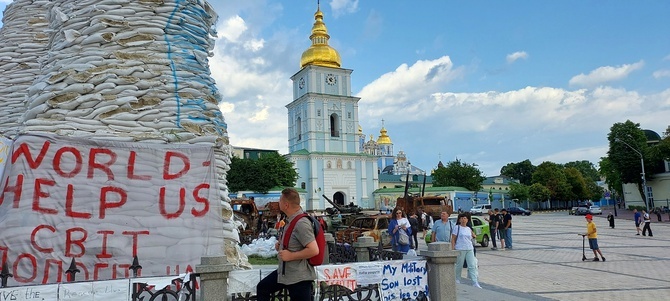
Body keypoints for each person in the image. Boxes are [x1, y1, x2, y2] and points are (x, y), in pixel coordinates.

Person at [257, 188, 318, 300]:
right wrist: (280, 246)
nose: (278, 202)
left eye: (280, 200)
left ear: (286, 205)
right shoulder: (290, 220)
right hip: (287, 273)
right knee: (262, 288)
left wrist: (291, 256)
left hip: (299, 277)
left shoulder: (301, 223)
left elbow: (314, 250)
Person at [451, 213, 481, 288]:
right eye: (462, 218)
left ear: (467, 220)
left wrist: (474, 236)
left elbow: (473, 235)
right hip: (460, 248)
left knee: (472, 265)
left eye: (465, 218)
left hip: (469, 248)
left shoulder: (468, 228)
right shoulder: (457, 227)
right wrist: (453, 248)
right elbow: (453, 239)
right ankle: (457, 279)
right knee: (459, 265)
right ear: (460, 220)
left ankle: (475, 281)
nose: (463, 220)